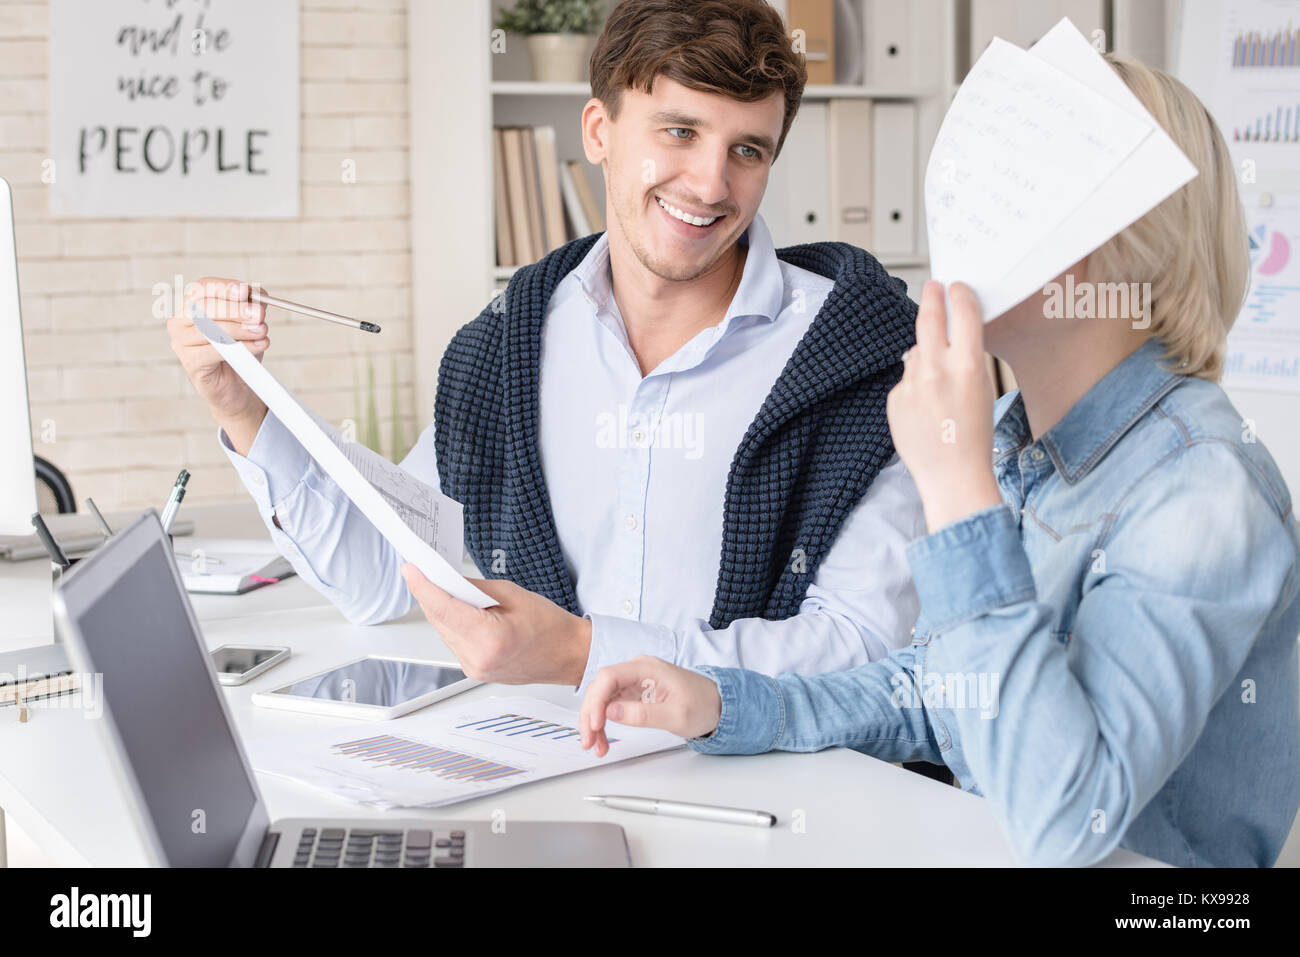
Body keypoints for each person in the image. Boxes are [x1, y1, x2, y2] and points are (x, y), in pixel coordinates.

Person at [577, 54, 1300, 867]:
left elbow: (1067, 819)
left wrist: (958, 491)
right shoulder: (1010, 434)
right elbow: (939, 692)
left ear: (1117, 240)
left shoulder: (1203, 491)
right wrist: (725, 704)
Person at [165, 0, 926, 692]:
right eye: (681, 132)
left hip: (782, 801)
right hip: (553, 774)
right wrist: (243, 407)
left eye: (748, 151)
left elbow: (866, 644)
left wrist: (582, 653)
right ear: (599, 131)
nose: (709, 184)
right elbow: (376, 576)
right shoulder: (507, 346)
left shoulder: (858, 357)